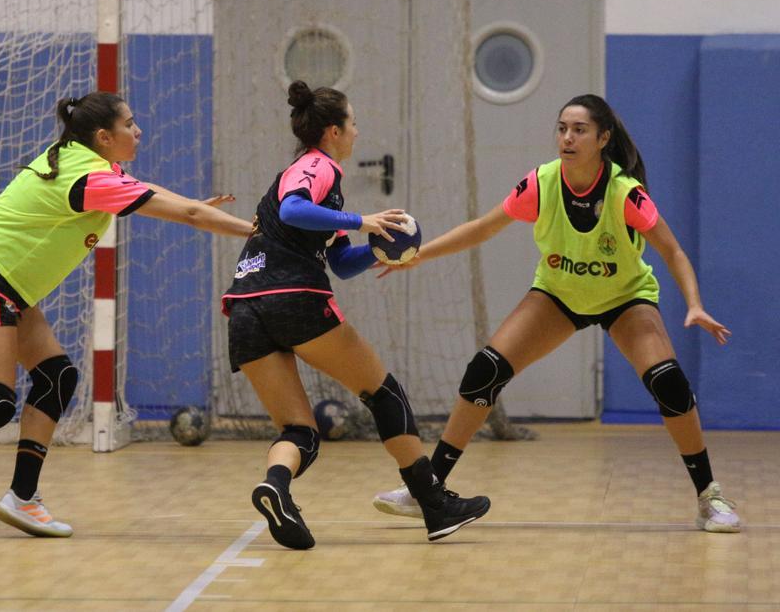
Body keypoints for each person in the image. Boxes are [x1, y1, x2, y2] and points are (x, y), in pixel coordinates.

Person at [0, 90, 253, 537]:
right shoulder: (90, 178)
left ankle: (21, 496)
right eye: (129, 124)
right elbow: (187, 214)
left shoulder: (84, 159)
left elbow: (157, 194)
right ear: (103, 136)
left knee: (58, 377)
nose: (138, 131)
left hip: (4, 281)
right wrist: (255, 231)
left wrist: (193, 203)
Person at [371, 94, 741, 533]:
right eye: (563, 128)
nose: (567, 137)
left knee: (670, 385)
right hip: (559, 295)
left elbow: (673, 251)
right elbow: (484, 227)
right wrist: (419, 255)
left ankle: (709, 497)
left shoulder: (625, 192)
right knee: (484, 372)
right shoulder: (541, 184)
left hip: (624, 296)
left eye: (579, 129)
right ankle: (426, 490)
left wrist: (695, 304)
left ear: (603, 138)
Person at [220, 81, 491, 550]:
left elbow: (342, 264)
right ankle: (434, 504)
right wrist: (363, 220)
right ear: (333, 130)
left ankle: (276, 487)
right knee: (384, 393)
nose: (357, 132)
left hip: (245, 309)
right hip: (294, 299)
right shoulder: (315, 165)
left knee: (299, 430)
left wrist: (383, 250)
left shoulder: (330, 192)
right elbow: (294, 208)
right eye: (353, 123)